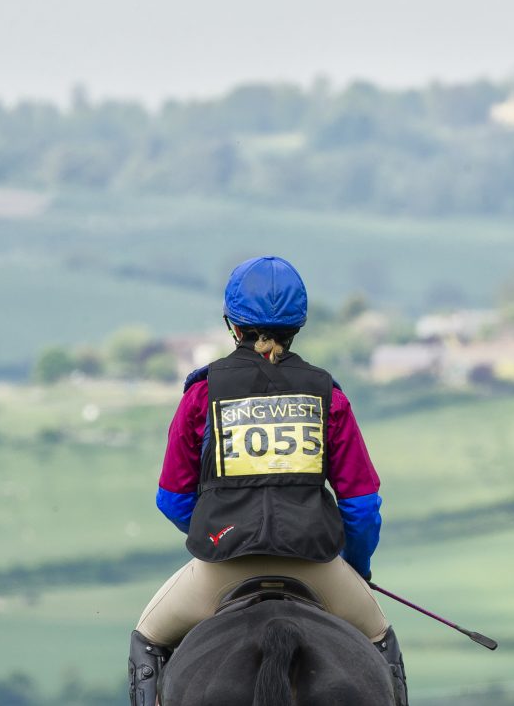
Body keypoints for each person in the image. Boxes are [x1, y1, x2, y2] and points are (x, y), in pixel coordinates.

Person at [128, 256, 408, 706]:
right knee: (381, 641)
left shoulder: (202, 394)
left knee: (146, 640)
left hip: (221, 566)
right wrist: (357, 568)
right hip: (315, 566)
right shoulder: (328, 396)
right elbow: (361, 505)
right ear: (298, 325)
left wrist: (220, 528)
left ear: (232, 325)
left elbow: (172, 498)